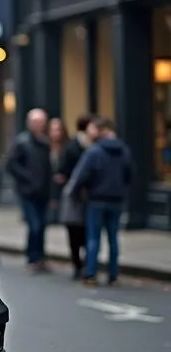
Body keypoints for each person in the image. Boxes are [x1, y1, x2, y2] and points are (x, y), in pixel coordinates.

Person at [68, 117, 133, 286]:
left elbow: (80, 176)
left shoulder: (94, 151)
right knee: (113, 238)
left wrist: (75, 194)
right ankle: (113, 275)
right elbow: (129, 175)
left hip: (96, 199)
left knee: (93, 238)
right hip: (116, 200)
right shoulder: (124, 150)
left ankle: (91, 274)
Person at [7, 108, 53, 272]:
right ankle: (32, 257)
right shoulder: (22, 142)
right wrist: (28, 178)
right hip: (28, 192)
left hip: (43, 192)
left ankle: (39, 256)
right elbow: (11, 165)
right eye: (36, 122)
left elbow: (48, 169)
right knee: (35, 225)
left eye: (42, 122)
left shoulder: (45, 143)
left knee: (42, 225)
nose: (40, 125)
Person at [55, 114, 98, 279]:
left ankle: (85, 264)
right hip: (75, 195)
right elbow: (62, 170)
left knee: (87, 231)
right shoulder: (74, 146)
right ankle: (78, 264)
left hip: (89, 195)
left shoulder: (94, 146)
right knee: (75, 230)